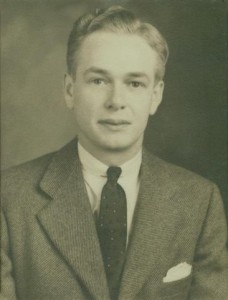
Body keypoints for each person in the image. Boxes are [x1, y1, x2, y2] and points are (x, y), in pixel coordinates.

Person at [1, 6, 227, 300]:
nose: (116, 100)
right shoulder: (9, 199)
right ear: (70, 90)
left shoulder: (199, 202)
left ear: (155, 96)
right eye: (99, 80)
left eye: (134, 83)